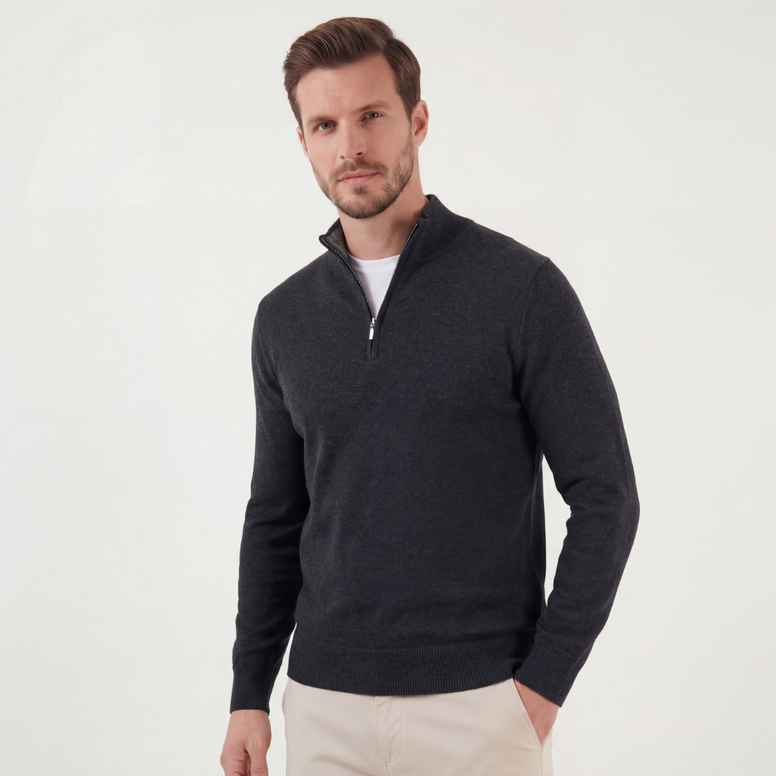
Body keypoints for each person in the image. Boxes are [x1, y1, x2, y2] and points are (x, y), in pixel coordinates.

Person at [220, 16, 639, 776]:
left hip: (480, 708)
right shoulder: (283, 318)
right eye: (325, 125)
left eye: (371, 115)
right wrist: (248, 693)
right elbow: (275, 515)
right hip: (323, 707)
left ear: (416, 121)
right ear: (304, 141)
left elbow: (606, 494)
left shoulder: (520, 289)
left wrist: (544, 685)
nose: (350, 145)